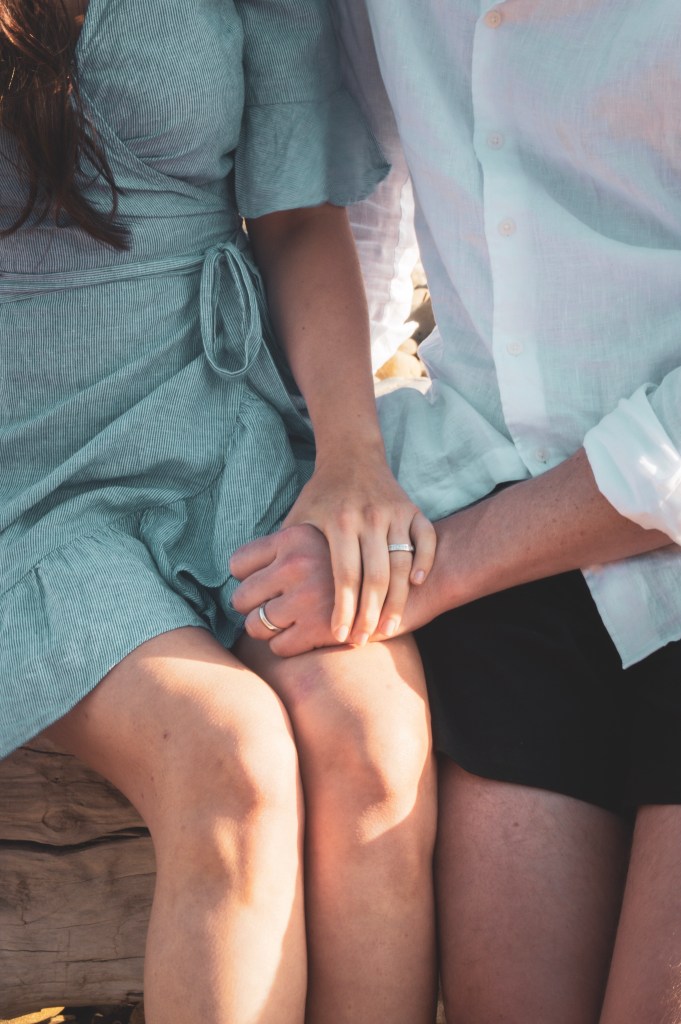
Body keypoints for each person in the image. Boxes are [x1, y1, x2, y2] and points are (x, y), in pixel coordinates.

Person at [231, 3, 681, 1022]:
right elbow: (367, 217)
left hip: (517, 541)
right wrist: (345, 463)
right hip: (511, 534)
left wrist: (437, 568)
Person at [0, 2, 438, 1022]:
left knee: (373, 742)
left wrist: (350, 458)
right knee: (228, 753)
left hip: (222, 432)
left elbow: (294, 221)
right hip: (30, 476)